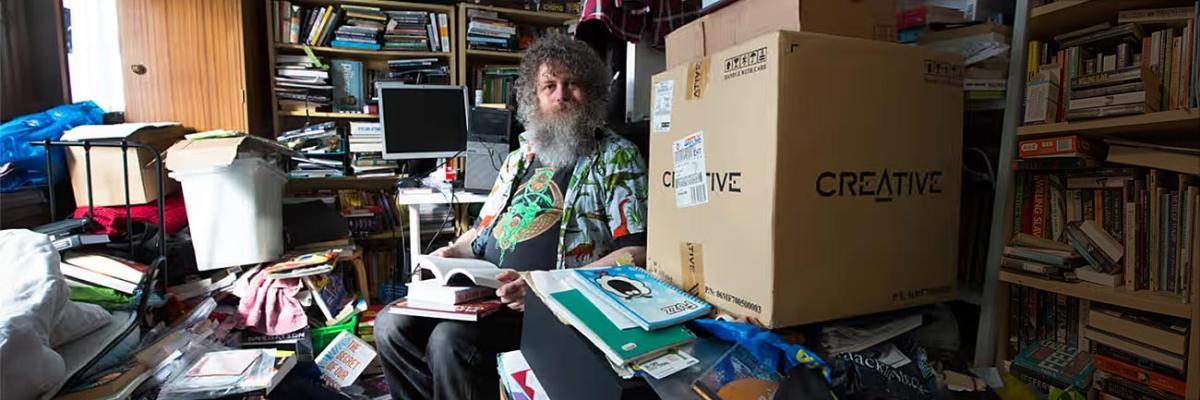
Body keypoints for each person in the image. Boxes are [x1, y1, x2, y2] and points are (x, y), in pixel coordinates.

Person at [374, 33, 649, 400]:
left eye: (573, 85)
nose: (561, 95)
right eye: (549, 85)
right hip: (484, 293)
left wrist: (540, 284)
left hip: (549, 305)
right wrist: (452, 252)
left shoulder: (616, 156)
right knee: (389, 324)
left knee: (449, 341)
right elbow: (483, 231)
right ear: (534, 97)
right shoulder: (520, 157)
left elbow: (637, 253)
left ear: (594, 92)